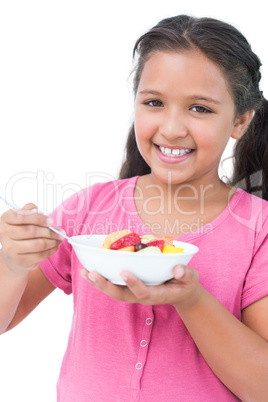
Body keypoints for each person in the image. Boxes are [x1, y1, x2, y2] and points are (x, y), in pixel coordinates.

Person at [1, 14, 268, 401]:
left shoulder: (258, 228)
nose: (172, 128)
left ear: (240, 120)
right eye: (154, 102)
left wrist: (190, 299)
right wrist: (12, 264)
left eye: (200, 109)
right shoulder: (88, 209)